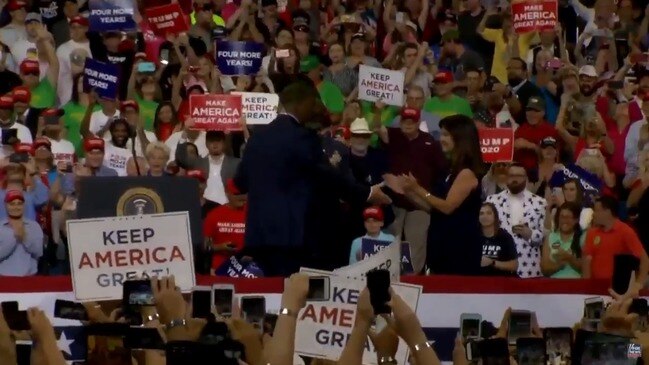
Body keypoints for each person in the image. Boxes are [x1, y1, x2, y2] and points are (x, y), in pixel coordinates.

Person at [234, 81, 390, 276]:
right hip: (292, 235)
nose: (316, 108)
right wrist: (367, 192)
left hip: (258, 235)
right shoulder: (302, 137)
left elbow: (240, 181)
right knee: (293, 293)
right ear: (301, 104)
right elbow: (326, 176)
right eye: (313, 103)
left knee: (270, 295)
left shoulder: (258, 135)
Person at [397, 114, 485, 275]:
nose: (441, 139)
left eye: (445, 135)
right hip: (440, 243)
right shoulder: (449, 170)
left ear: (460, 138)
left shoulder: (467, 173)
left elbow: (447, 207)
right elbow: (433, 208)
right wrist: (407, 191)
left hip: (459, 247)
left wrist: (417, 189)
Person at [582, 195, 649, 283]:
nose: (594, 214)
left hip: (619, 287)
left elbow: (645, 260)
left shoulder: (625, 232)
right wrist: (586, 286)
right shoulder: (591, 233)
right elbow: (587, 261)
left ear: (607, 212)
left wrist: (638, 284)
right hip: (595, 287)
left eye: (597, 210)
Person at [0, 190, 44, 276]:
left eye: (19, 203)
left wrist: (25, 239)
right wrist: (14, 239)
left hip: (29, 279)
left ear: (24, 205)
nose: (16, 207)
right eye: (12, 204)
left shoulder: (34, 226)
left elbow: (39, 252)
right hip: (4, 280)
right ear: (5, 205)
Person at [541, 202, 585, 278]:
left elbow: (586, 268)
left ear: (576, 220)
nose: (564, 220)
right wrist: (560, 265)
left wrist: (569, 258)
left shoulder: (582, 237)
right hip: (554, 285)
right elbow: (544, 268)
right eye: (562, 217)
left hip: (576, 285)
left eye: (568, 217)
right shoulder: (550, 237)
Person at [478, 202, 519, 276]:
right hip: (477, 280)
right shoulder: (472, 236)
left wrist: (492, 263)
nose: (485, 216)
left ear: (495, 216)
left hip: (501, 281)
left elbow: (514, 265)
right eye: (481, 213)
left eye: (489, 213)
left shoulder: (505, 237)